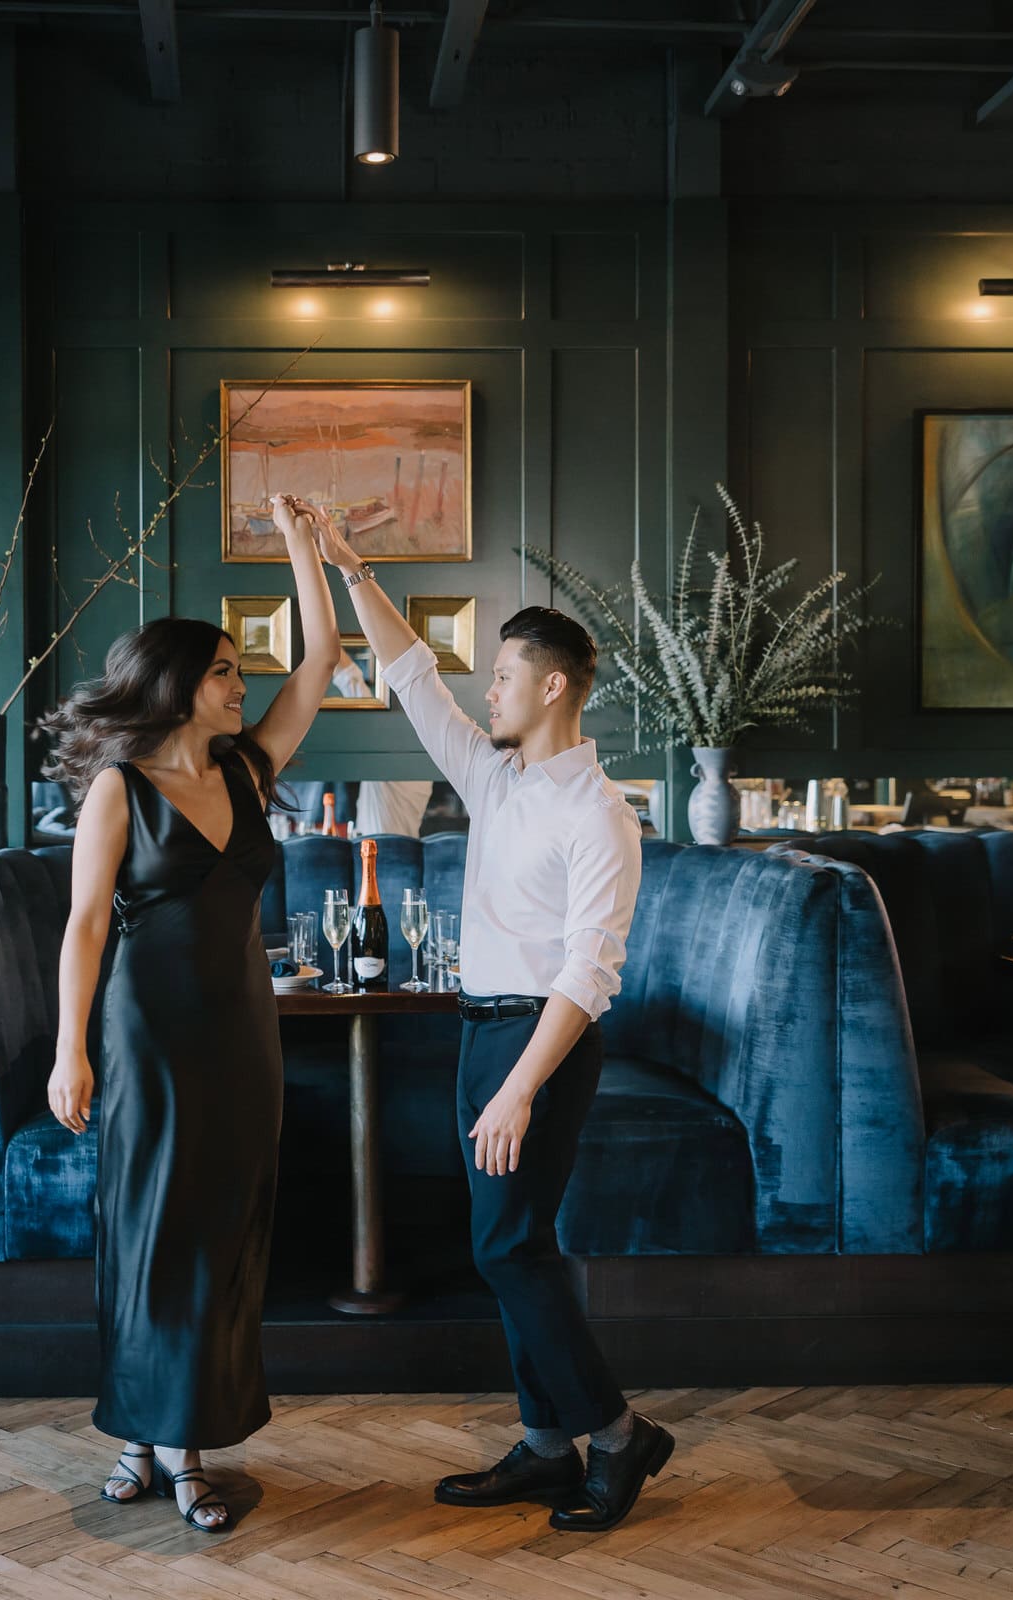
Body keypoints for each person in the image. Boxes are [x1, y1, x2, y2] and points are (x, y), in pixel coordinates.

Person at [274, 496, 673, 1533]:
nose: (484, 689)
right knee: (510, 1240)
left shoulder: (600, 814)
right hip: (479, 1030)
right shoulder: (495, 779)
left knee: (508, 1249)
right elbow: (411, 676)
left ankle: (621, 1437)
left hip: (541, 1042)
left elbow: (590, 977)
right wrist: (352, 566)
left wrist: (518, 1087)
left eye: (499, 675)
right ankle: (548, 1446)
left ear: (551, 687)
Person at [41, 494, 340, 1534]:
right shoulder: (120, 789)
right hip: (146, 1033)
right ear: (176, 682)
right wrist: (70, 1050)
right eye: (222, 670)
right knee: (149, 1230)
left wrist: (304, 546)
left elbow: (321, 660)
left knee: (223, 1236)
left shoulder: (251, 770)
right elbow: (85, 925)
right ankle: (153, 1441)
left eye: (237, 670)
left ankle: (183, 1439)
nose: (240, 683)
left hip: (241, 1033)